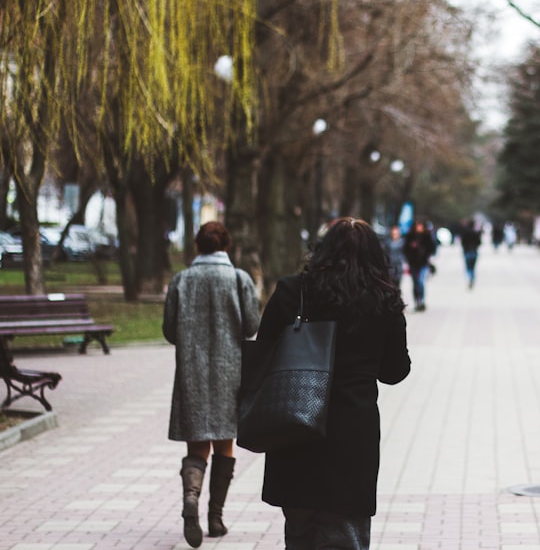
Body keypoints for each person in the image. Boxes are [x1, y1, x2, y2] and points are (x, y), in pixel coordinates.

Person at [257, 217, 411, 550]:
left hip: (294, 425)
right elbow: (395, 371)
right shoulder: (382, 300)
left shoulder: (292, 292)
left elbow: (264, 352)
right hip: (351, 433)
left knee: (299, 534)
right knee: (346, 533)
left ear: (322, 250)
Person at [163, 221, 260, 548]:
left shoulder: (182, 280)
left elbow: (169, 330)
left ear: (197, 247)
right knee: (224, 444)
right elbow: (251, 326)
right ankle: (215, 518)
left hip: (192, 372)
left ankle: (191, 496)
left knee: (197, 447)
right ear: (226, 246)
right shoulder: (238, 279)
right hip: (230, 373)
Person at [402, 220, 436, 311]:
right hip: (413, 263)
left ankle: (421, 301)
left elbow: (432, 248)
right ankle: (417, 301)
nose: (419, 228)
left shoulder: (426, 236)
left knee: (420, 282)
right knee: (415, 282)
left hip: (423, 263)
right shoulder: (410, 237)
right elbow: (405, 250)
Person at [459, 219, 482, 289]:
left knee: (468, 267)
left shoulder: (465, 233)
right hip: (474, 252)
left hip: (467, 252)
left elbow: (462, 243)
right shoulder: (476, 233)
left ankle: (469, 278)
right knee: (472, 268)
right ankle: (472, 278)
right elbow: (479, 243)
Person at [385, 225, 405, 295]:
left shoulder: (403, 242)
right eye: (393, 233)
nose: (394, 235)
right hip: (389, 266)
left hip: (398, 266)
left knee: (397, 284)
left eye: (396, 233)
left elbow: (405, 254)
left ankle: (396, 298)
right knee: (390, 284)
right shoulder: (387, 242)